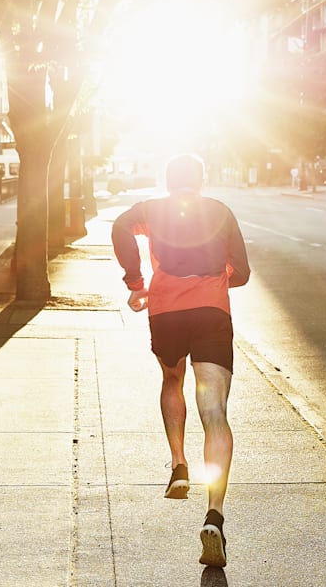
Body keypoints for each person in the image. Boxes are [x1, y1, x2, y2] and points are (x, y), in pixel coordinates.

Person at [111, 153, 250, 568]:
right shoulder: (221, 212)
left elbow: (120, 226)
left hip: (166, 311)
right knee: (215, 411)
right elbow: (241, 272)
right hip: (211, 312)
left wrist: (136, 282)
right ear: (202, 181)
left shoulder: (151, 210)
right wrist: (217, 272)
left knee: (172, 381)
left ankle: (179, 465)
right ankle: (215, 516)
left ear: (169, 181)